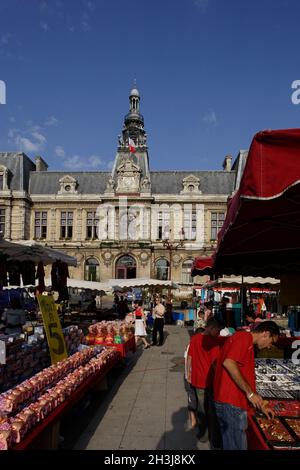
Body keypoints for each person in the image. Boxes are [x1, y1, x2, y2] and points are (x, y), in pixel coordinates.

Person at [213, 320, 280, 450]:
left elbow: (218, 364)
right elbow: (229, 363)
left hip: (229, 402)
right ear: (265, 334)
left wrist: (260, 404)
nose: (270, 346)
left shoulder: (245, 341)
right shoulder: (244, 337)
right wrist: (250, 393)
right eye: (272, 342)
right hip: (231, 405)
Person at [188, 317, 225, 448]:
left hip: (197, 381)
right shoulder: (213, 342)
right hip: (209, 382)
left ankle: (203, 435)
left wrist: (188, 375)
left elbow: (189, 358)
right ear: (210, 327)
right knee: (212, 411)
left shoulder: (195, 338)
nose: (219, 333)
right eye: (218, 330)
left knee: (202, 409)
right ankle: (213, 438)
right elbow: (216, 364)